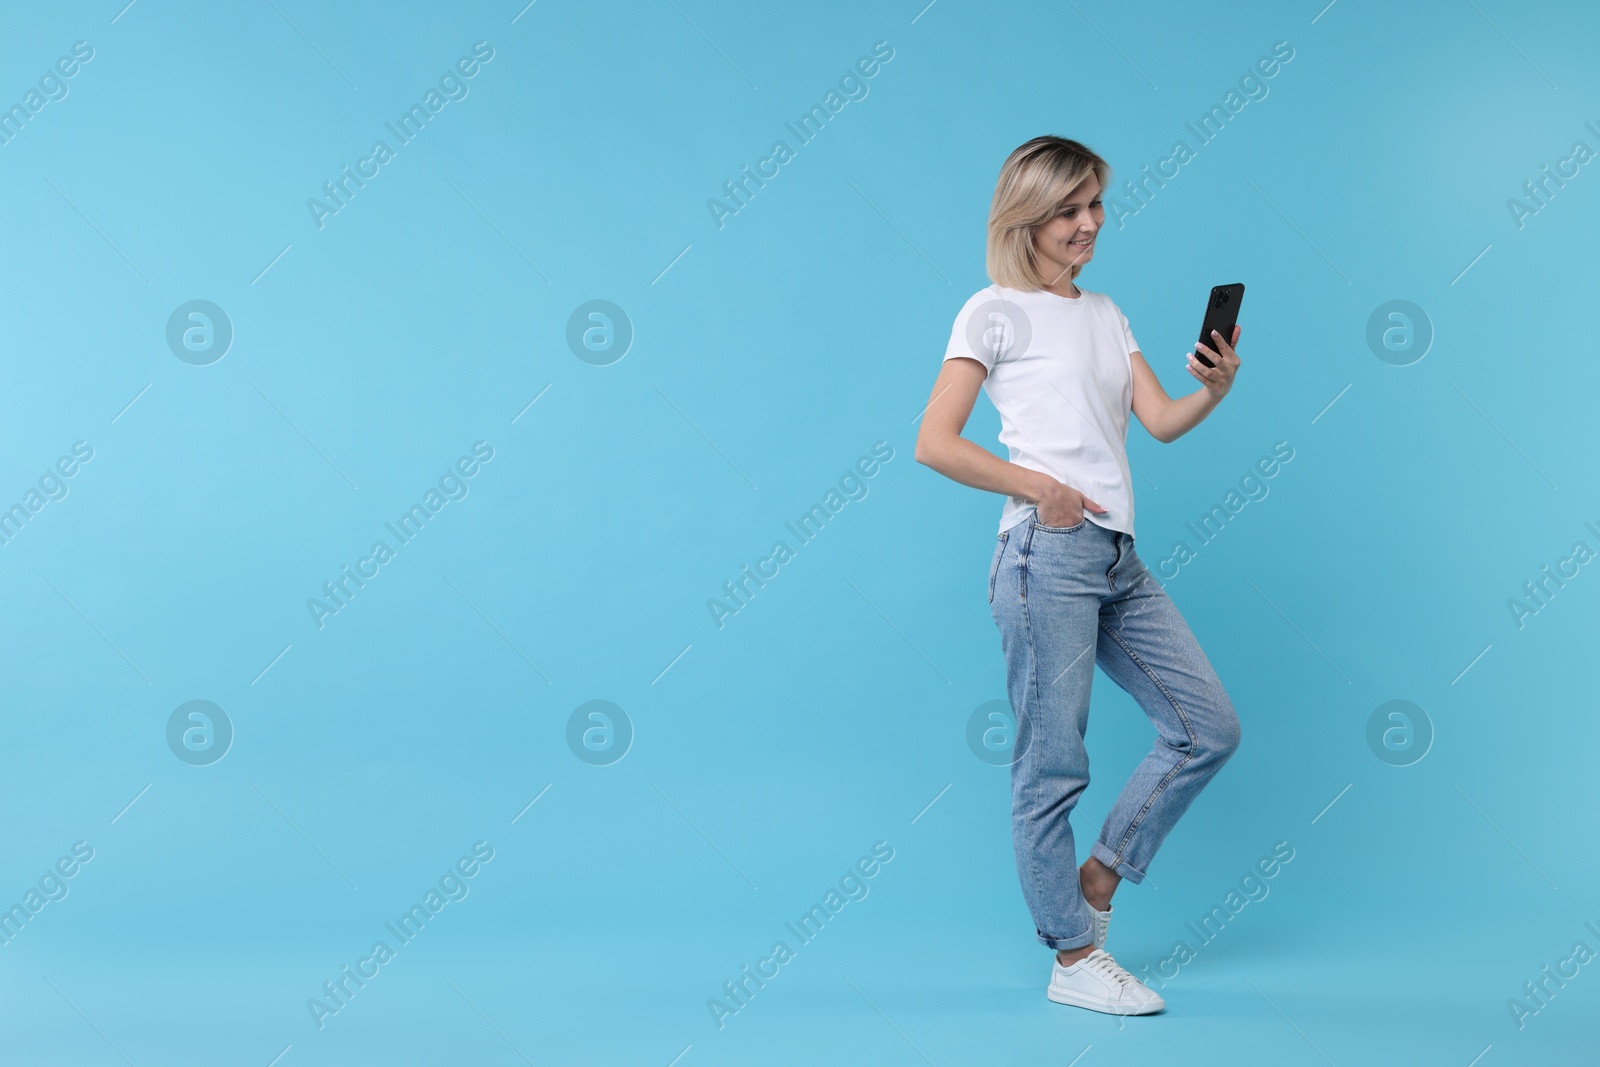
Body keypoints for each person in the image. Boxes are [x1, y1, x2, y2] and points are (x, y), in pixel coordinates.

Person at [914, 135, 1244, 1015]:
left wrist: (1215, 386)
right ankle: (1070, 956)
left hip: (1115, 557)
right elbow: (934, 441)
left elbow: (1162, 420)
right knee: (1051, 761)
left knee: (1207, 726)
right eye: (1068, 209)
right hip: (1044, 555)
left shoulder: (1105, 311)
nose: (1088, 223)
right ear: (1026, 215)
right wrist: (1039, 487)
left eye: (1095, 204)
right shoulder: (992, 312)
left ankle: (1099, 876)